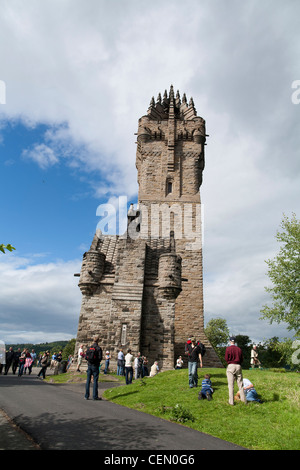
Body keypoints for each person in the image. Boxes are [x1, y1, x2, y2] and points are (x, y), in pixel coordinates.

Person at [225, 336, 246, 405]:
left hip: (231, 365)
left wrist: (230, 362)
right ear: (235, 341)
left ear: (230, 341)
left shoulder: (228, 349)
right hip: (238, 366)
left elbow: (226, 358)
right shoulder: (239, 349)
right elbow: (242, 359)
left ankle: (231, 402)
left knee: (231, 385)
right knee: (240, 384)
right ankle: (244, 401)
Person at [85, 336, 103, 400]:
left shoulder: (89, 348)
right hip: (95, 366)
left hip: (89, 365)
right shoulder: (98, 348)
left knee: (88, 380)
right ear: (98, 341)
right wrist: (96, 362)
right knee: (95, 381)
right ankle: (95, 396)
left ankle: (86, 395)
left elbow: (86, 357)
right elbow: (100, 358)